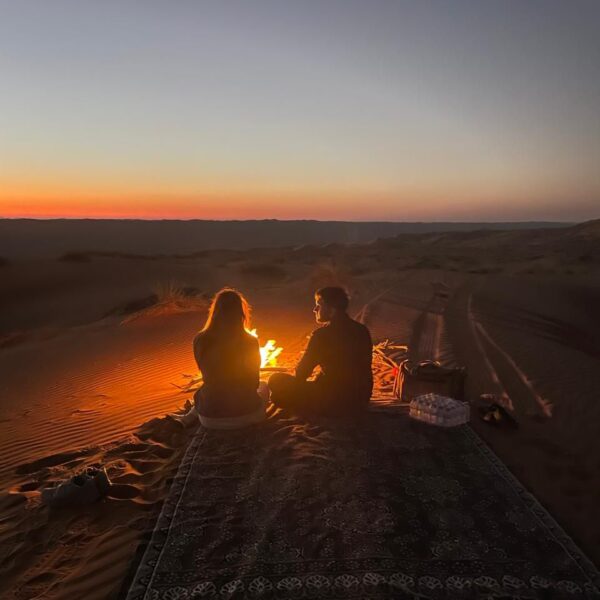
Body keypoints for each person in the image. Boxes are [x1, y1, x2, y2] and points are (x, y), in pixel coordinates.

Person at [268, 286, 373, 416]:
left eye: (318, 305)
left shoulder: (322, 335)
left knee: (275, 380)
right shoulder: (362, 330)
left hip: (332, 400)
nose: (315, 309)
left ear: (331, 309)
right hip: (361, 398)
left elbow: (302, 373)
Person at [178, 288, 268, 429]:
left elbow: (207, 375)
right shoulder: (250, 341)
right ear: (241, 314)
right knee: (264, 386)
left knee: (207, 391)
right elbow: (254, 383)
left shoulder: (200, 340)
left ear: (215, 313)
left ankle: (189, 417)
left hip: (209, 420)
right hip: (248, 415)